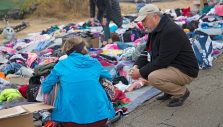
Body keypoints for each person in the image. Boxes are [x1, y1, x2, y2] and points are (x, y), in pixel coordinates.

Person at [130, 4, 199, 107]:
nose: (142, 24)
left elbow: (162, 61)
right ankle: (170, 91)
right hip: (175, 65)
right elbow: (147, 49)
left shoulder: (170, 31)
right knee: (149, 69)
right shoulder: (157, 28)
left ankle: (182, 92)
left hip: (186, 70)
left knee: (153, 77)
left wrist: (140, 72)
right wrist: (137, 65)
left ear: (155, 17)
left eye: (144, 20)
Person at [42, 36, 115, 126]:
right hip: (100, 119)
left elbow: (45, 87)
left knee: (57, 84)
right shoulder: (94, 62)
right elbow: (109, 77)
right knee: (99, 80)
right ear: (83, 48)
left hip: (70, 121)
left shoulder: (61, 65)